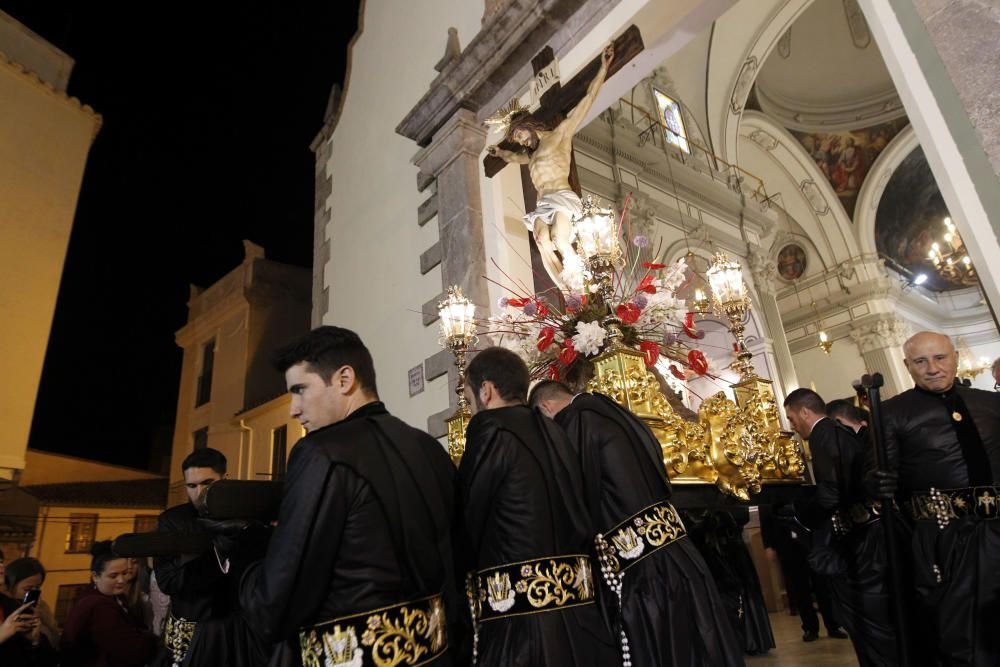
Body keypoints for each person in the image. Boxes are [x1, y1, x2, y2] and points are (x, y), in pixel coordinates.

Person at [238, 325, 465, 666]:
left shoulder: (320, 452)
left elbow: (275, 605)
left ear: (344, 379)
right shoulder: (428, 449)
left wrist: (244, 559)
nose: (293, 410)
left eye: (300, 390)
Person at [529, 380, 743, 666]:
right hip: (679, 552)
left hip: (644, 570)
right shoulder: (617, 413)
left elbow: (577, 498)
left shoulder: (575, 422)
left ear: (546, 407)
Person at [459, 347, 616, 666]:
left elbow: (468, 516)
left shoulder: (489, 429)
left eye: (467, 398)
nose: (469, 407)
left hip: (522, 625)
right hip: (582, 617)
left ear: (485, 391)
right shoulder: (554, 430)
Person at [875, 331, 1000, 665]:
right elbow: (879, 480)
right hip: (943, 540)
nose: (932, 368)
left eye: (940, 358)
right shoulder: (891, 413)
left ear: (956, 358)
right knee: (956, 630)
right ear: (908, 366)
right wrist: (877, 482)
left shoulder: (991, 404)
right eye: (921, 361)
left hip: (998, 532)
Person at [784, 388, 898, 666]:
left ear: (805, 412)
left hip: (859, 541)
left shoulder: (824, 436)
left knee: (865, 619)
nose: (792, 426)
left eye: (791, 418)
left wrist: (803, 519)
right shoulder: (839, 433)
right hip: (870, 534)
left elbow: (831, 492)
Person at [487, 44, 614, 290]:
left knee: (558, 238)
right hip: (542, 204)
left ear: (529, 124)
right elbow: (513, 159)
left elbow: (587, 100)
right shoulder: (530, 156)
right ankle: (569, 291)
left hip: (562, 197)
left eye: (521, 135)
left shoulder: (559, 136)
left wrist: (604, 67)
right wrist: (501, 152)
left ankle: (583, 283)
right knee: (542, 241)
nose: (522, 142)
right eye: (518, 141)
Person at [154, 447, 266, 666]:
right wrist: (216, 555)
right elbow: (168, 581)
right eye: (192, 486)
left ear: (225, 479)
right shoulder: (172, 521)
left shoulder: (249, 518)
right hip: (192, 635)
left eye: (207, 483)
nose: (199, 492)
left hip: (241, 634)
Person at [61, 541, 158, 667]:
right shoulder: (98, 606)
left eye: (124, 573)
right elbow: (130, 649)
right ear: (95, 576)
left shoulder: (113, 596)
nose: (121, 580)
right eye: (113, 576)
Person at [759, 502, 845, 643]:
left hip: (812, 538)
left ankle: (833, 625)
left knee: (823, 586)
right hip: (786, 542)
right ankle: (810, 628)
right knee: (799, 588)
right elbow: (765, 518)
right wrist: (768, 545)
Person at [5, 557, 60, 651]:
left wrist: (36, 639)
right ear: (11, 586)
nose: (33, 594)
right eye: (28, 589)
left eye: (37, 588)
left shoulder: (42, 608)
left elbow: (54, 641)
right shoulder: (4, 610)